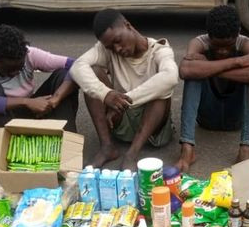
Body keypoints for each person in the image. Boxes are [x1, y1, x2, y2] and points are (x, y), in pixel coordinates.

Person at [70, 9, 178, 170]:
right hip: (120, 121)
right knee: (93, 72)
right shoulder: (106, 49)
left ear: (128, 25)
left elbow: (171, 76)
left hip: (154, 129)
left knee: (162, 89)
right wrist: (105, 94)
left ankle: (132, 154)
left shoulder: (160, 50)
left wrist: (125, 100)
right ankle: (107, 147)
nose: (117, 49)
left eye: (118, 41)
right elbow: (77, 67)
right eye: (111, 47)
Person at [176, 5, 249, 172]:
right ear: (208, 35)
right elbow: (185, 71)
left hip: (236, 118)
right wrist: (237, 62)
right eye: (217, 45)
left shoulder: (248, 44)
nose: (222, 51)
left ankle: (246, 147)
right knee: (193, 77)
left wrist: (211, 69)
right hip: (206, 117)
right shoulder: (199, 42)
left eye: (228, 45)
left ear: (238, 33)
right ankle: (187, 148)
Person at [0, 25, 78, 130]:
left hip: (32, 112)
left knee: (64, 74)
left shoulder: (30, 54)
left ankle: (66, 136)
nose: (15, 73)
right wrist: (26, 102)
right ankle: (7, 140)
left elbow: (77, 65)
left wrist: (56, 98)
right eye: (8, 70)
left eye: (19, 68)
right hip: (3, 117)